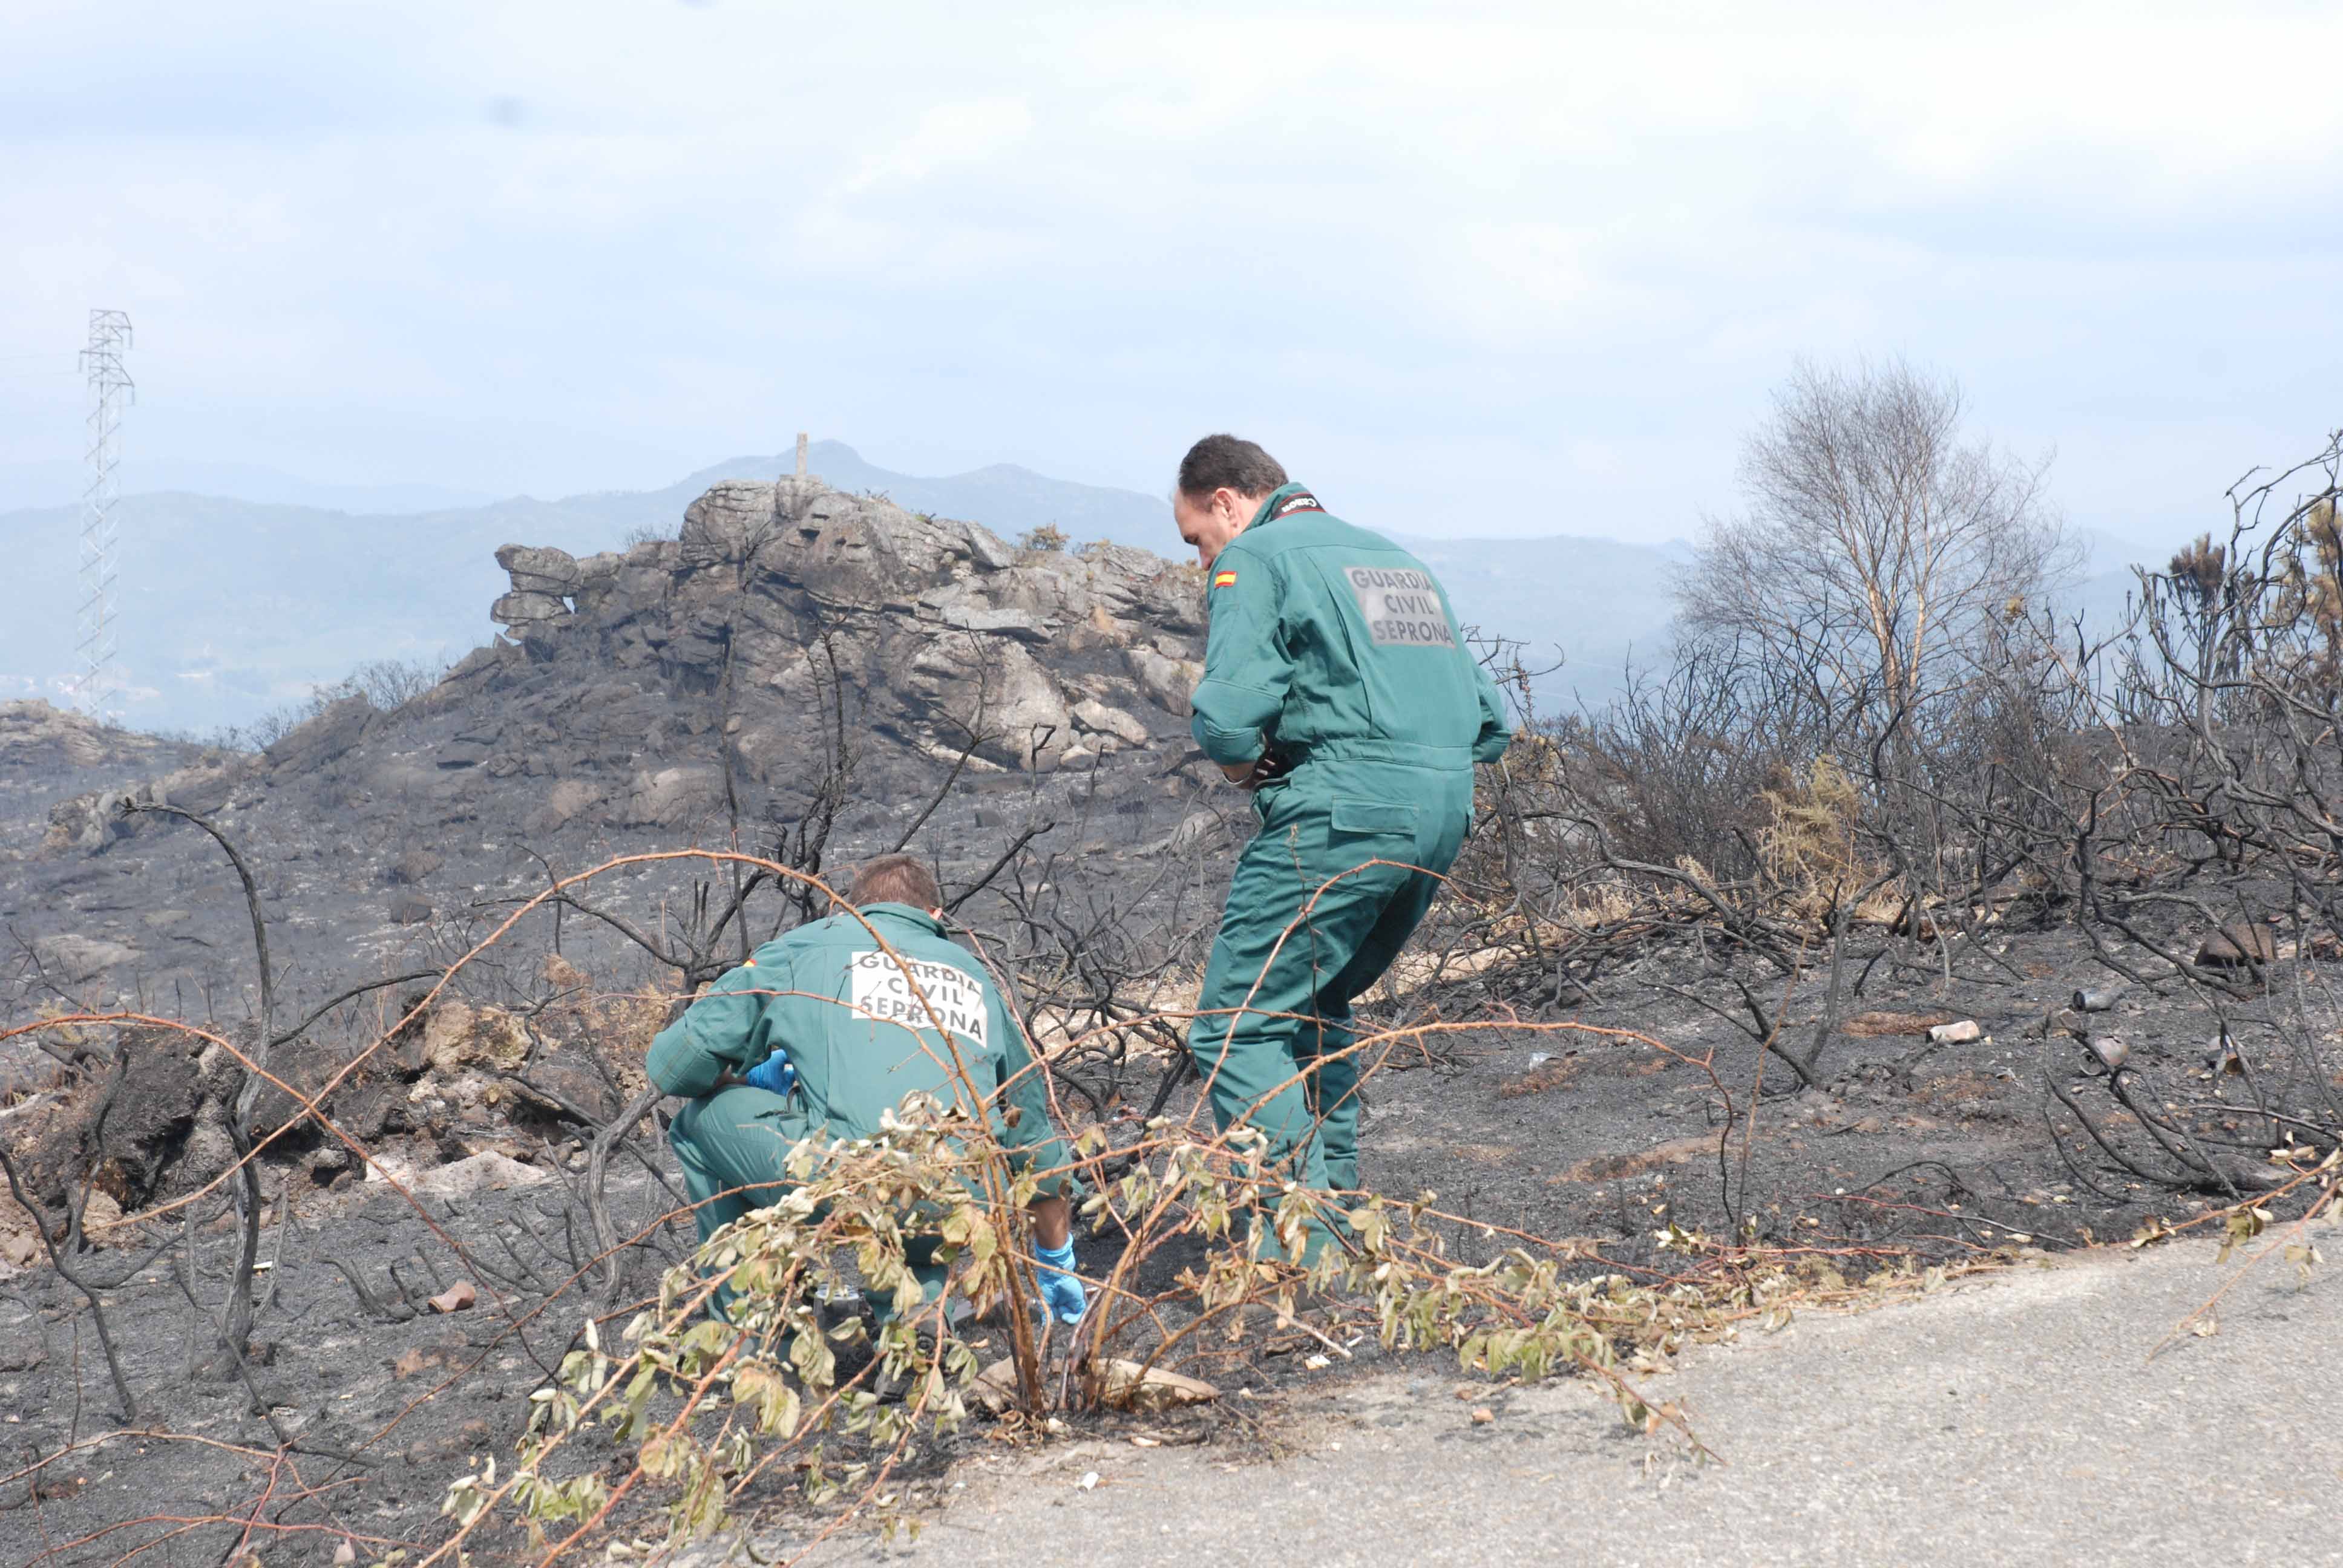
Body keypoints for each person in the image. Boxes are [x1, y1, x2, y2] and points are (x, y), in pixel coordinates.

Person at [1173, 434, 1512, 1256]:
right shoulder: (1397, 563)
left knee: (1235, 1026)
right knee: (1315, 1005)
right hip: (1441, 813)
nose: (1201, 555)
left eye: (1195, 537)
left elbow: (1225, 719)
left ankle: (1309, 1246)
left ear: (1226, 501)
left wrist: (1248, 770)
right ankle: (1344, 1215)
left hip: (1345, 812)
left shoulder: (1255, 559)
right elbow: (1492, 725)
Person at [647, 854, 1086, 1325]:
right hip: (963, 1204)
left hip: (852, 1185)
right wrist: (1056, 1258)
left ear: (849, 910)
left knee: (699, 1121)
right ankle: (913, 1318)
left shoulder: (809, 946)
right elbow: (1033, 1136)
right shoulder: (975, 974)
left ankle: (754, 1324)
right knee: (928, 1173)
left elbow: (673, 1066)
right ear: (934, 917)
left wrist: (744, 1077)